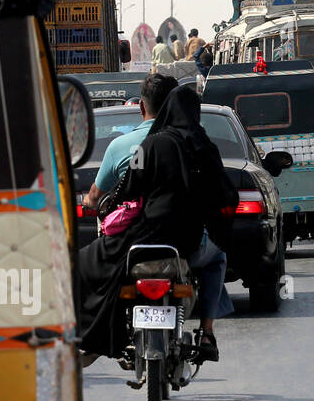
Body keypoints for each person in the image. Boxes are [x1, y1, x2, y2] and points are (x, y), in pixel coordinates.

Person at [77, 82, 239, 361]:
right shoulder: (203, 146)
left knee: (84, 263)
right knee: (217, 258)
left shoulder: (150, 145)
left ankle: (94, 338)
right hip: (188, 241)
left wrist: (112, 209)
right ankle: (208, 331)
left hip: (145, 236)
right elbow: (223, 193)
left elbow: (127, 188)